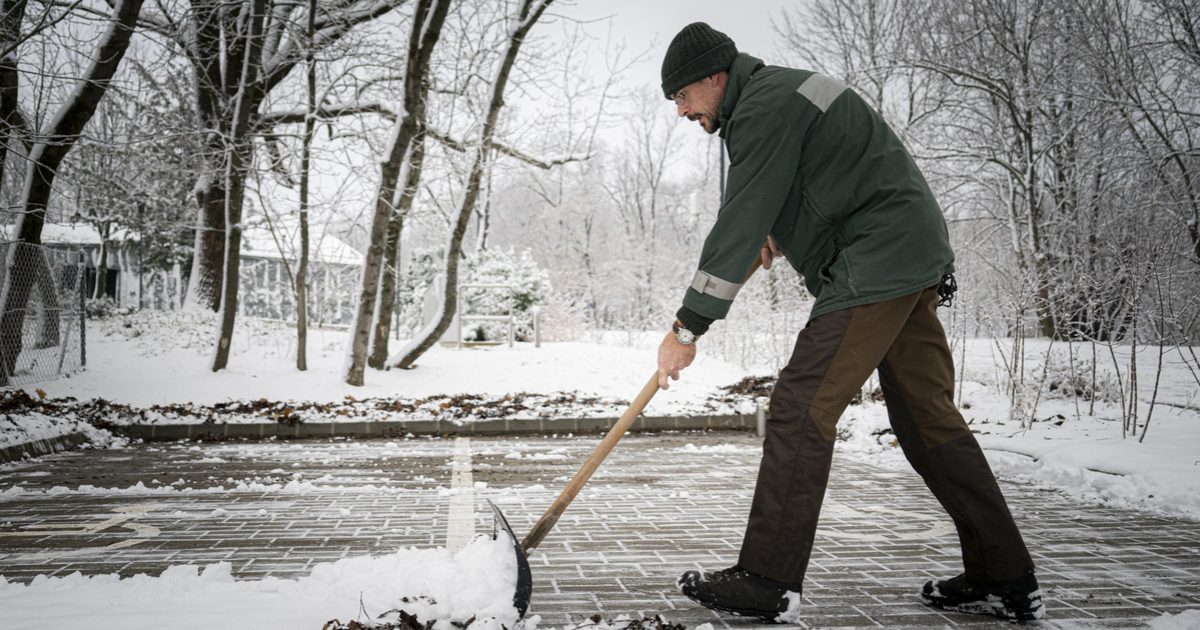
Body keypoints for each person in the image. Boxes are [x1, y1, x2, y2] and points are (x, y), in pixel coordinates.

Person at [654, 22, 1043, 624]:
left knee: (800, 405)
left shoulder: (761, 108)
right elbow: (825, 182)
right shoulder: (781, 93)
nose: (680, 110)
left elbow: (738, 217)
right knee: (925, 419)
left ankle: (768, 579)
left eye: (681, 96)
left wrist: (687, 327)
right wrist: (779, 232)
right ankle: (1004, 570)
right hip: (908, 251)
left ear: (714, 76)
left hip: (876, 258)